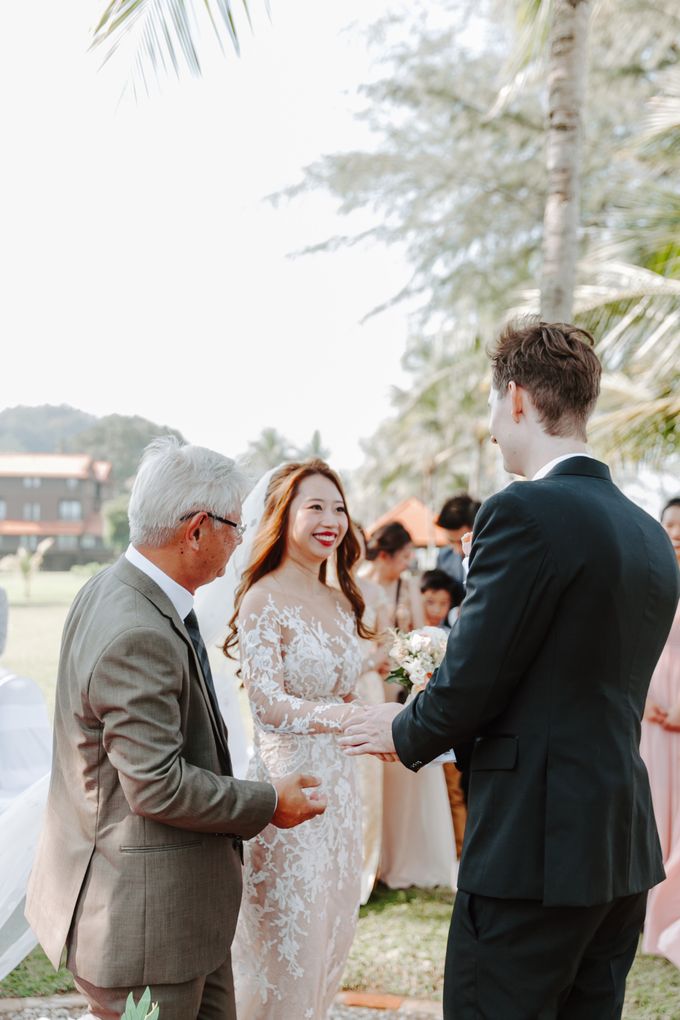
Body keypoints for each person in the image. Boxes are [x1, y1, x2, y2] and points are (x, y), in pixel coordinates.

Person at [342, 319, 680, 1019]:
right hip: (619, 846)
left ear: (518, 398)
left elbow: (475, 677)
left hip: (535, 850)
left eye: (495, 406)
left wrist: (402, 729)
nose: (493, 426)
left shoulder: (522, 510)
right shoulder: (649, 532)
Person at [25, 438, 325, 1020]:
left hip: (182, 915)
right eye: (235, 527)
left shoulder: (112, 586)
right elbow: (156, 785)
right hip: (142, 927)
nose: (240, 541)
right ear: (195, 531)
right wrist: (268, 803)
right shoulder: (138, 630)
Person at [224, 460, 370, 1019]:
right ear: (283, 515)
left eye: (338, 508)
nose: (331, 520)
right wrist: (343, 720)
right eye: (316, 507)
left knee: (333, 935)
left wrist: (374, 726)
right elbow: (268, 704)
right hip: (289, 797)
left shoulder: (339, 602)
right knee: (291, 947)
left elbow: (344, 694)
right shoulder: (262, 597)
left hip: (342, 797)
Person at [363, 524, 456, 889]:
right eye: (404, 557)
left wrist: (413, 665)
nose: (407, 564)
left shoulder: (407, 588)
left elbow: (421, 636)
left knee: (405, 774)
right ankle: (375, 857)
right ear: (385, 555)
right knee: (373, 776)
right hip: (370, 686)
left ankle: (407, 859)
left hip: (402, 688)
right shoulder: (356, 583)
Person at [641, 496, 680, 966]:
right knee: (654, 811)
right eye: (670, 524)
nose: (676, 532)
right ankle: (647, 912)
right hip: (650, 715)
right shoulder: (648, 580)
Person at [435, 494, 481, 585]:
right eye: (451, 541)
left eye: (462, 541)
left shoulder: (491, 556)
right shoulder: (444, 558)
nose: (458, 550)